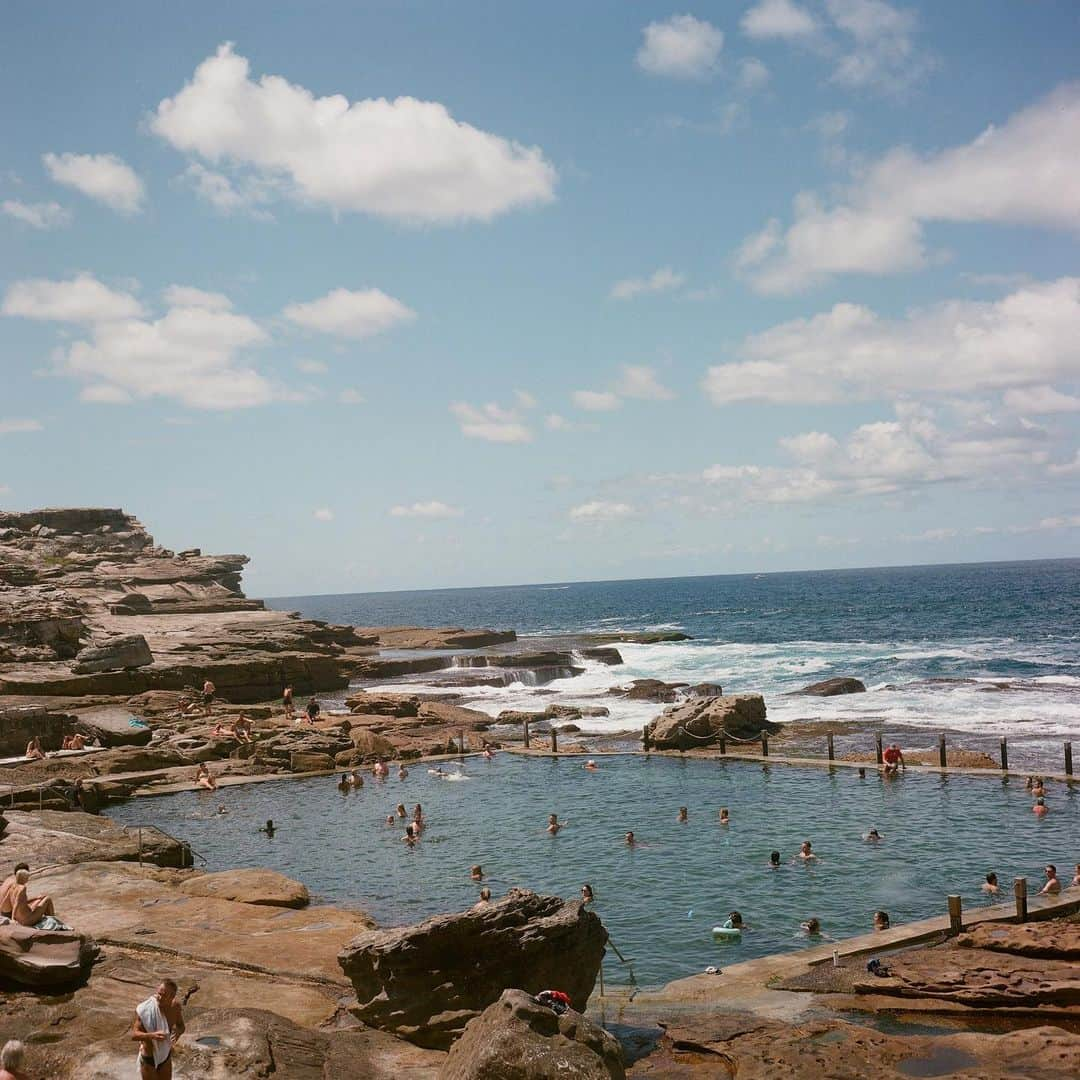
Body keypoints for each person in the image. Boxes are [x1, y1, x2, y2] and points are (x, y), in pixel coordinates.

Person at [132, 978, 185, 1079]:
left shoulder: (175, 1008)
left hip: (165, 1056)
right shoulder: (145, 1009)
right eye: (159, 994)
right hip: (148, 1058)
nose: (159, 998)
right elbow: (134, 1035)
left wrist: (178, 1032)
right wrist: (151, 1035)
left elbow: (181, 1026)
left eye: (164, 995)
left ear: (172, 997)